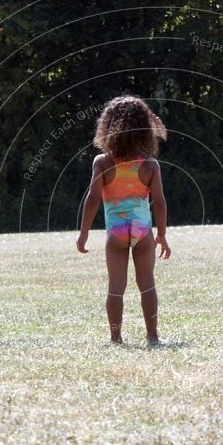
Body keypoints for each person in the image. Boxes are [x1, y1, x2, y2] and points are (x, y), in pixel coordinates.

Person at [77, 95, 171, 345]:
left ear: (108, 128)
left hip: (116, 232)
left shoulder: (103, 162)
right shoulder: (150, 165)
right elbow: (159, 202)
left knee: (116, 287)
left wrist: (84, 233)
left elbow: (93, 198)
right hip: (142, 231)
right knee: (147, 284)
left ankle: (116, 337)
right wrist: (161, 234)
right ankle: (152, 337)